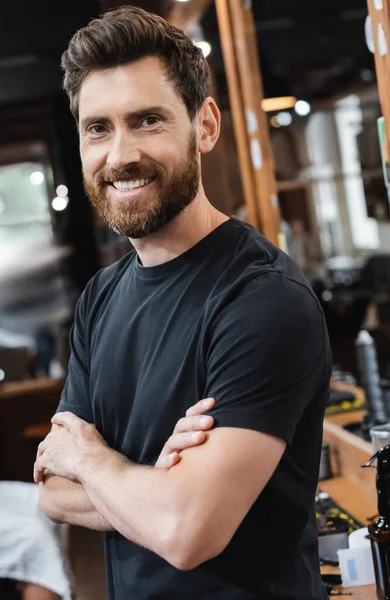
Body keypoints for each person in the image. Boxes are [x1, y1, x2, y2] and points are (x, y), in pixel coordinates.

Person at [35, 6, 332, 599]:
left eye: (148, 121)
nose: (120, 155)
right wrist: (153, 485)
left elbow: (185, 529)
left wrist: (96, 463)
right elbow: (49, 492)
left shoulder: (262, 298)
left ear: (205, 125)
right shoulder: (101, 298)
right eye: (98, 127)